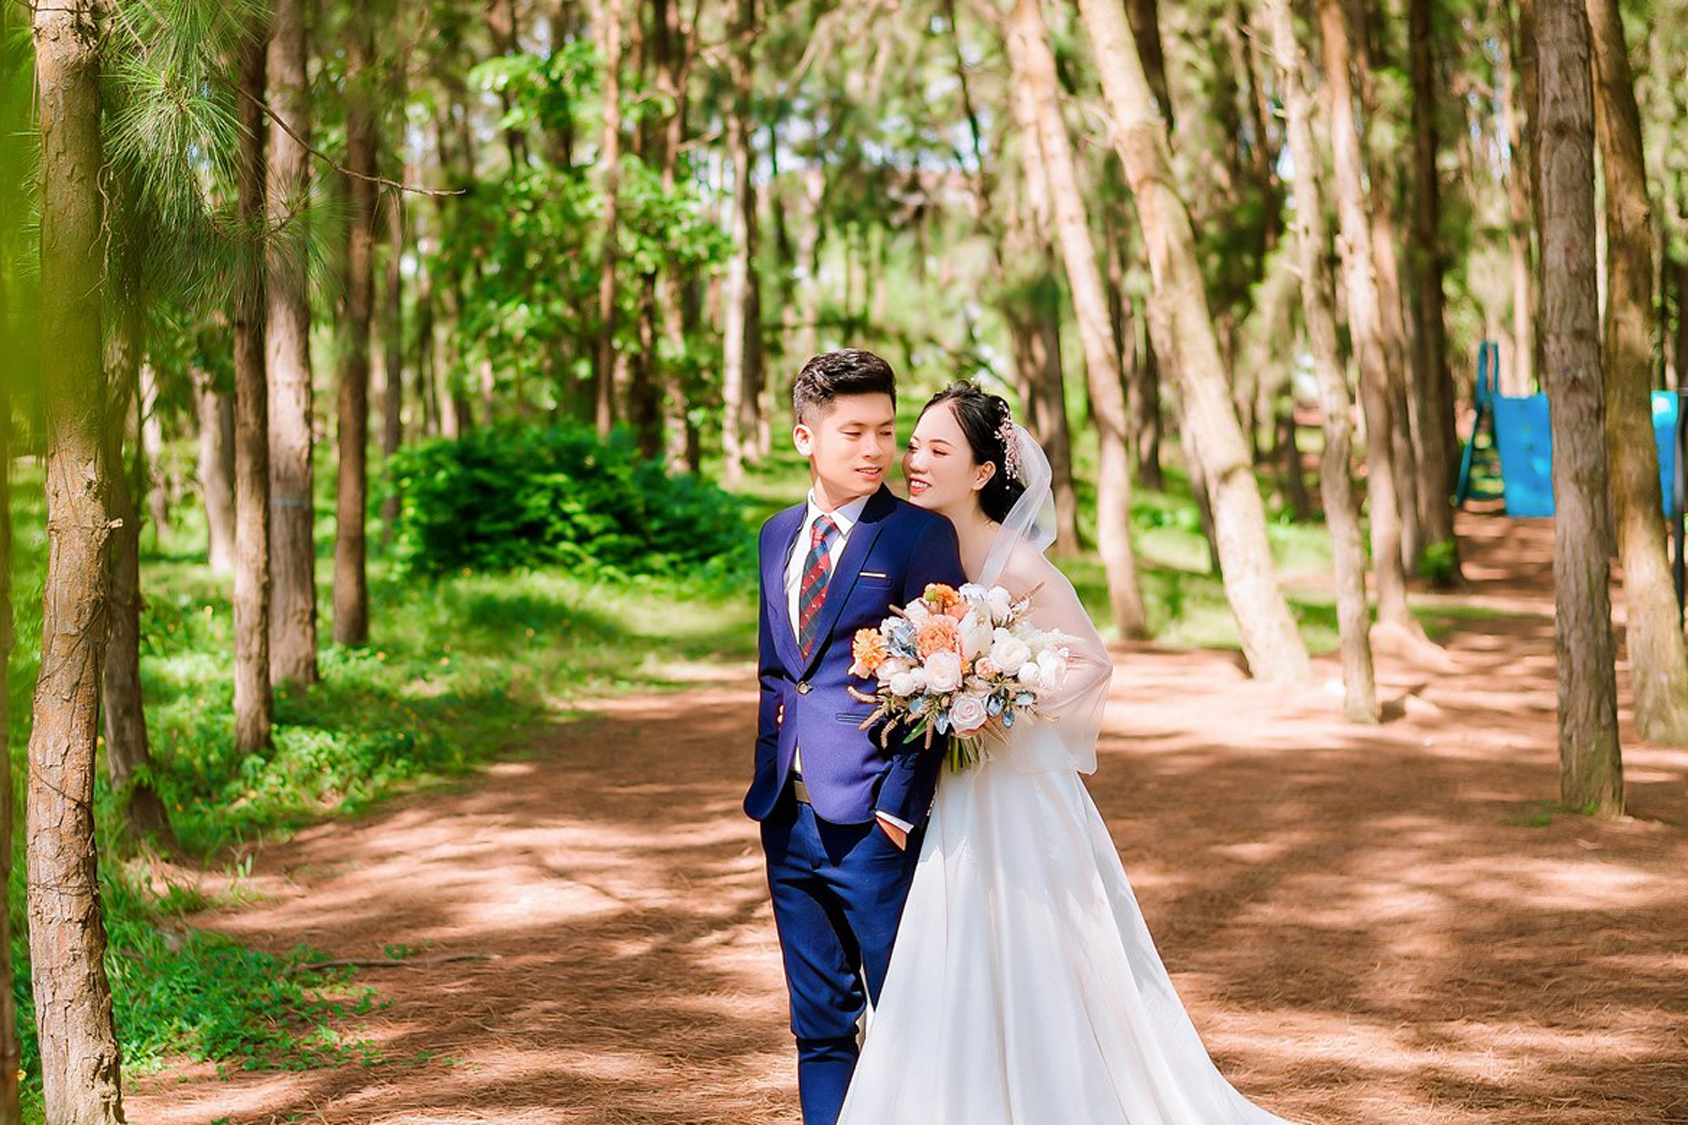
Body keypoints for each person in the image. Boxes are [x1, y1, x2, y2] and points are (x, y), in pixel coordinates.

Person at [835, 382, 1301, 1125]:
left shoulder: (1013, 560)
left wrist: (994, 699)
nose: (914, 461)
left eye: (937, 449)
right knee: (953, 948)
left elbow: (1090, 660)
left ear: (982, 472)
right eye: (914, 445)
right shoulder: (915, 545)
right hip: (948, 791)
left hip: (1010, 790)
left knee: (1033, 948)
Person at [745, 349, 966, 1125]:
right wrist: (769, 782)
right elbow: (776, 674)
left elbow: (939, 678)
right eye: (854, 432)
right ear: (806, 438)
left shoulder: (917, 536)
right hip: (787, 817)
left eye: (885, 430)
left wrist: (898, 807)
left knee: (909, 1019)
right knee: (819, 1028)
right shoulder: (776, 534)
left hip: (875, 826)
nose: (875, 449)